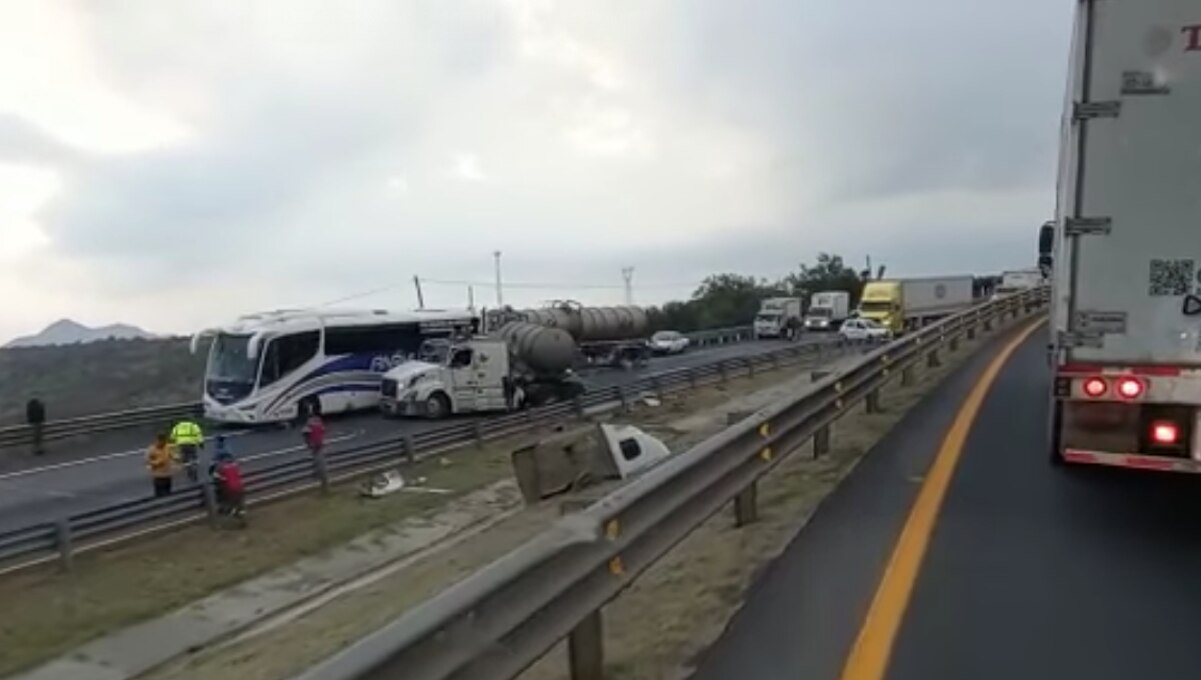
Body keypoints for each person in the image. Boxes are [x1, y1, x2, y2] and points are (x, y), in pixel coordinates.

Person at [209, 446, 246, 521]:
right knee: (239, 501)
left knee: (222, 495)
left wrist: (221, 477)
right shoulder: (235, 465)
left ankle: (230, 511)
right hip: (240, 487)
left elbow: (214, 475)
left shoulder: (220, 466)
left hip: (229, 488)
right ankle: (240, 512)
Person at [146, 432, 176, 497]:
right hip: (158, 476)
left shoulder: (167, 447)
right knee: (159, 494)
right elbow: (147, 461)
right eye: (161, 441)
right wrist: (157, 463)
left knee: (168, 493)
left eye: (164, 441)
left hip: (167, 475)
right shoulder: (152, 449)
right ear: (158, 440)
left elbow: (172, 455)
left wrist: (176, 458)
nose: (163, 443)